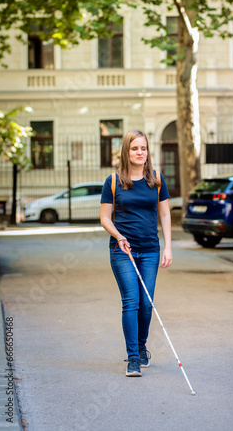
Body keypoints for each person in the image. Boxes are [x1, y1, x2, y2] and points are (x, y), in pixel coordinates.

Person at [100, 130, 172, 377]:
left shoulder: (157, 179)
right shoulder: (112, 181)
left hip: (150, 250)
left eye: (143, 148)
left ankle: (142, 347)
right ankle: (132, 358)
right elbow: (105, 218)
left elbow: (164, 214)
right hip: (123, 251)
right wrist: (119, 236)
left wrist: (169, 246)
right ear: (126, 151)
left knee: (146, 304)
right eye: (135, 148)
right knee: (131, 301)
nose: (140, 152)